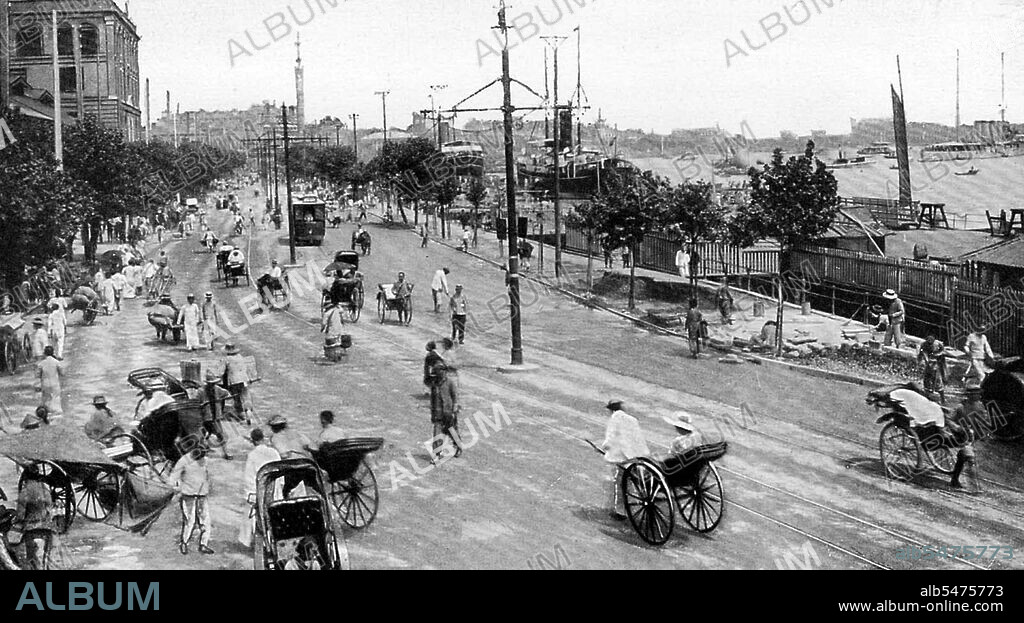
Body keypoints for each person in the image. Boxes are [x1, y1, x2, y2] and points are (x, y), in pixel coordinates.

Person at [601, 400, 650, 520]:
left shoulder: (615, 418)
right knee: (630, 481)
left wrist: (605, 447)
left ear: (611, 409)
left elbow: (611, 437)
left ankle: (620, 511)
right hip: (637, 455)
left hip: (622, 457)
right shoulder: (632, 419)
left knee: (619, 482)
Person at [238, 429, 281, 548]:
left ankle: (260, 541)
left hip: (260, 490)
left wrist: (250, 495)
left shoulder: (252, 455)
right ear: (263, 438)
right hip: (273, 489)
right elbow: (280, 472)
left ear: (253, 441)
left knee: (257, 516)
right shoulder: (273, 452)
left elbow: (249, 477)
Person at [170, 444, 215, 555]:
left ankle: (203, 544)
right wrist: (178, 488)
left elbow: (209, 476)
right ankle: (184, 543)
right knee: (189, 521)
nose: (201, 459)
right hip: (188, 495)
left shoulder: (205, 461)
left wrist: (208, 487)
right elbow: (173, 478)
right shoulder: (183, 461)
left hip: (202, 495)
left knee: (205, 521)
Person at [15, 465, 56, 569]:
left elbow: (20, 514)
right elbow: (49, 509)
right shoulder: (45, 489)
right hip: (47, 528)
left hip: (31, 528)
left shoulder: (25, 492)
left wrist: (17, 521)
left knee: (31, 558)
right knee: (46, 560)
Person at [946, 387, 983, 493]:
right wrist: (957, 428)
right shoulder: (960, 407)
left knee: (962, 457)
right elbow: (948, 419)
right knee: (970, 458)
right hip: (959, 436)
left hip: (971, 436)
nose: (979, 396)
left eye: (979, 394)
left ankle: (954, 480)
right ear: (970, 395)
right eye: (976, 394)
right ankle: (974, 487)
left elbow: (982, 420)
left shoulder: (979, 406)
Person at [267, 416, 315, 497]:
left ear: (273, 428)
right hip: (307, 464)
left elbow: (283, 455)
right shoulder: (296, 433)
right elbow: (312, 447)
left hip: (291, 469)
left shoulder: (274, 438)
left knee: (285, 490)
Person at [428, 361, 462, 465]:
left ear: (443, 372)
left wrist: (454, 409)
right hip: (438, 413)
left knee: (452, 431)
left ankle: (458, 446)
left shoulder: (450, 382)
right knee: (437, 433)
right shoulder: (435, 385)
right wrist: (432, 413)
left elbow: (455, 396)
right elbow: (433, 400)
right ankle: (437, 454)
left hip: (448, 413)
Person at [195, 372, 234, 460]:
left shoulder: (218, 389)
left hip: (216, 417)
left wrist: (224, 399)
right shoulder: (201, 391)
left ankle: (226, 452)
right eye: (210, 384)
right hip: (205, 417)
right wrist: (202, 404)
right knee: (203, 435)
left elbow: (227, 394)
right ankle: (202, 450)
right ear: (207, 383)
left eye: (213, 384)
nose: (212, 386)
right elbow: (196, 403)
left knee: (220, 435)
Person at [225, 344, 254, 423]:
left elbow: (221, 371)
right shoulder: (241, 357)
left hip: (234, 381)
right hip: (244, 379)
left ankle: (241, 413)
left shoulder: (227, 359)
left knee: (236, 397)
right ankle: (248, 410)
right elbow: (247, 368)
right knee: (245, 395)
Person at [917, 336, 947, 404]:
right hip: (928, 364)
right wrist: (923, 360)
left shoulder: (938, 344)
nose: (929, 344)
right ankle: (927, 396)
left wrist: (936, 355)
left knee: (938, 381)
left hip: (936, 363)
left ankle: (942, 399)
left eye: (931, 343)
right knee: (927, 380)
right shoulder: (923, 344)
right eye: (928, 342)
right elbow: (922, 352)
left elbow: (943, 351)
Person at [36, 347, 64, 416]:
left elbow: (37, 375)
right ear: (53, 353)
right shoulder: (56, 362)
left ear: (44, 353)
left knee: (46, 399)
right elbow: (62, 373)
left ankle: (47, 412)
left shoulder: (41, 364)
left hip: (45, 384)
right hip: (55, 384)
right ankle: (57, 411)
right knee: (56, 398)